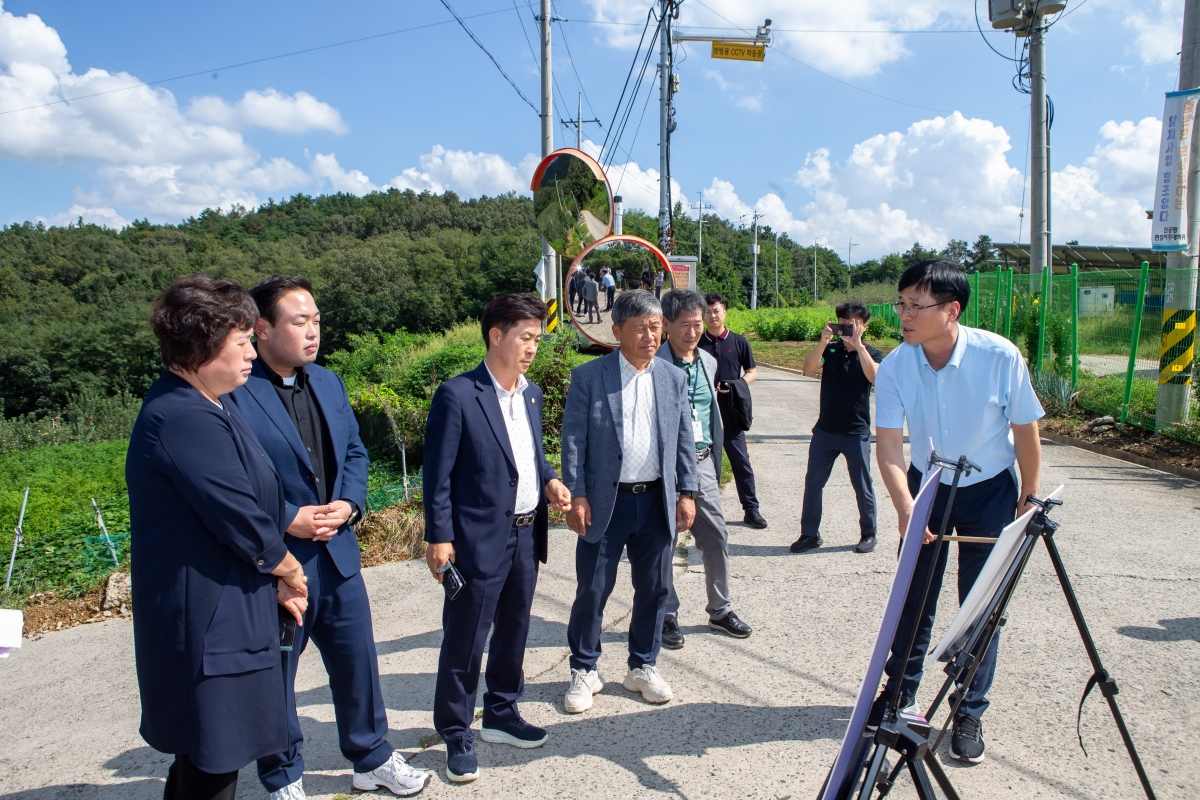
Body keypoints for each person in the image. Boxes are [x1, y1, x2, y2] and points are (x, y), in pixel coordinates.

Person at [230, 277, 428, 799]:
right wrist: (286, 517)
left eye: (316, 320)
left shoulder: (328, 382)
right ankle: (283, 777)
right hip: (279, 563)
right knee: (278, 673)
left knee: (357, 661)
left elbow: (356, 453)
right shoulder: (235, 392)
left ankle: (372, 758)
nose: (314, 331)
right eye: (300, 322)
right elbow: (232, 479)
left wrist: (351, 504)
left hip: (338, 555)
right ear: (262, 329)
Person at [127, 275, 310, 800]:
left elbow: (259, 494)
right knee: (214, 757)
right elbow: (239, 514)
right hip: (208, 620)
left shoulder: (214, 401)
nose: (252, 351)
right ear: (202, 348)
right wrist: (288, 568)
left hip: (231, 604)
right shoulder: (182, 416)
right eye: (241, 342)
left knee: (206, 756)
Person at [869, 260, 1043, 764]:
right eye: (901, 304)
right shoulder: (898, 364)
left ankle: (969, 708)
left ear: (951, 310)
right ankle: (900, 693)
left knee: (980, 606)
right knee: (913, 598)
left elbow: (1026, 430)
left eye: (915, 306)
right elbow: (888, 449)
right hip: (928, 486)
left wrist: (1028, 497)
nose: (904, 314)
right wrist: (906, 507)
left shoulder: (998, 356)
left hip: (989, 488)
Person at [423, 294, 573, 783]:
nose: (533, 348)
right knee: (466, 638)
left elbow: (529, 454)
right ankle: (456, 729)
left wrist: (549, 479)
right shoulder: (458, 394)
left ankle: (503, 711)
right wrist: (438, 536)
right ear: (495, 336)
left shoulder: (529, 393)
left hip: (528, 535)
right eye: (525, 337)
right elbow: (438, 475)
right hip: (475, 541)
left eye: (537, 339)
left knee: (515, 630)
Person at [560, 290, 697, 714]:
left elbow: (684, 439)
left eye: (656, 327)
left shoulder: (672, 377)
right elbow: (573, 440)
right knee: (594, 588)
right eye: (639, 328)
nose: (649, 336)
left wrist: (687, 492)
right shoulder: (590, 377)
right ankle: (584, 669)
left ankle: (642, 665)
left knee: (655, 588)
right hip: (606, 502)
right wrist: (576, 494)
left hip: (657, 500)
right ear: (616, 331)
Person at [656, 289, 753, 650]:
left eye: (698, 324)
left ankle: (720, 609)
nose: (693, 331)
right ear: (666, 325)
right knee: (665, 542)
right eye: (685, 325)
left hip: (702, 463)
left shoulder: (708, 362)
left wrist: (713, 462)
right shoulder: (655, 365)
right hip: (665, 469)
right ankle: (665, 613)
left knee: (715, 538)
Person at [792, 302, 884, 555]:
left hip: (856, 432)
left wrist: (859, 345)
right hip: (825, 431)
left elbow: (875, 377)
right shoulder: (831, 352)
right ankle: (809, 534)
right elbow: (807, 368)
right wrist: (823, 342)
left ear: (864, 326)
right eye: (843, 323)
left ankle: (868, 533)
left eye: (853, 324)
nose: (847, 328)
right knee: (813, 483)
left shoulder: (873, 354)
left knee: (862, 484)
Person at [698, 293, 768, 529]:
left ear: (725, 312)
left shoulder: (739, 342)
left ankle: (751, 509)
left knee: (741, 464)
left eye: (716, 310)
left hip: (732, 414)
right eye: (708, 311)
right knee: (703, 465)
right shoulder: (697, 342)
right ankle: (703, 514)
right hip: (704, 417)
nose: (713, 315)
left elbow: (752, 372)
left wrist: (736, 385)